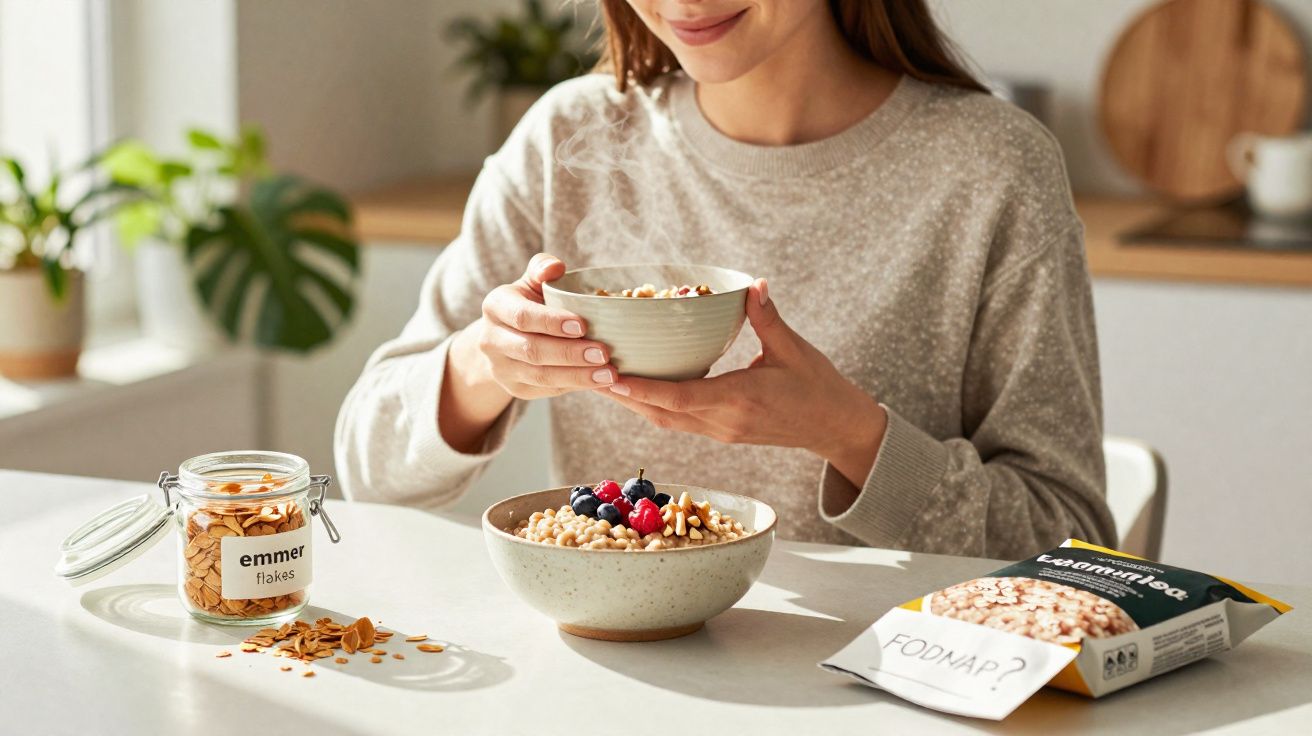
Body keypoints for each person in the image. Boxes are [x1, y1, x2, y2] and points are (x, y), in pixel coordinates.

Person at [335, 0, 1116, 557]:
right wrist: (486, 362)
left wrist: (847, 433)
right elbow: (370, 471)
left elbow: (1069, 539)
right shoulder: (568, 138)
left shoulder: (992, 170)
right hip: (612, 688)